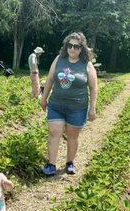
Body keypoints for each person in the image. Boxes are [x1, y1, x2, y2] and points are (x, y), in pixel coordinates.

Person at [40, 32, 98, 176]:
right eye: (70, 45)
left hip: (77, 108)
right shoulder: (59, 59)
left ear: (82, 48)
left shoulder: (87, 64)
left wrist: (92, 108)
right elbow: (49, 80)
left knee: (72, 136)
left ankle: (70, 163)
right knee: (54, 133)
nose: (73, 49)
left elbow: (93, 87)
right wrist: (44, 98)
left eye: (76, 47)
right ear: (66, 46)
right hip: (56, 105)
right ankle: (51, 164)